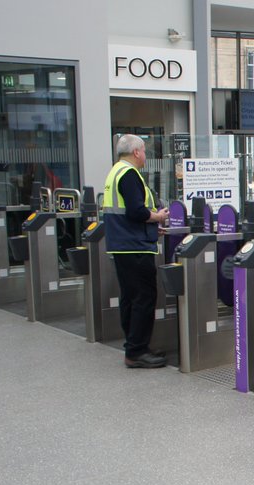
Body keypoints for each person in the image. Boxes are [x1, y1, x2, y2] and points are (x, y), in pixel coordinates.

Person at [103, 134, 170, 369]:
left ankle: (134, 345)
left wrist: (152, 228)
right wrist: (158, 217)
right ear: (136, 153)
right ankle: (137, 351)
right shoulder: (129, 174)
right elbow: (135, 211)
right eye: (143, 151)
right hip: (134, 247)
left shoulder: (115, 171)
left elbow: (126, 213)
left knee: (130, 297)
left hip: (123, 244)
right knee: (144, 297)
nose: (145, 156)